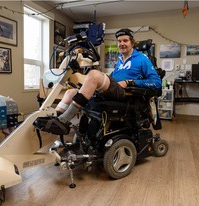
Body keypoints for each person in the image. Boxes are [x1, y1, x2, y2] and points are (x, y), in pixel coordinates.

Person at [34, 28, 162, 135]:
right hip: (114, 89)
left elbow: (156, 83)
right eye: (119, 41)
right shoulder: (120, 60)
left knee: (94, 74)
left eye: (125, 41)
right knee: (71, 92)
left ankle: (63, 119)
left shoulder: (142, 59)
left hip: (125, 93)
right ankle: (55, 120)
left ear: (132, 43)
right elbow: (113, 77)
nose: (122, 43)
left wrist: (130, 83)